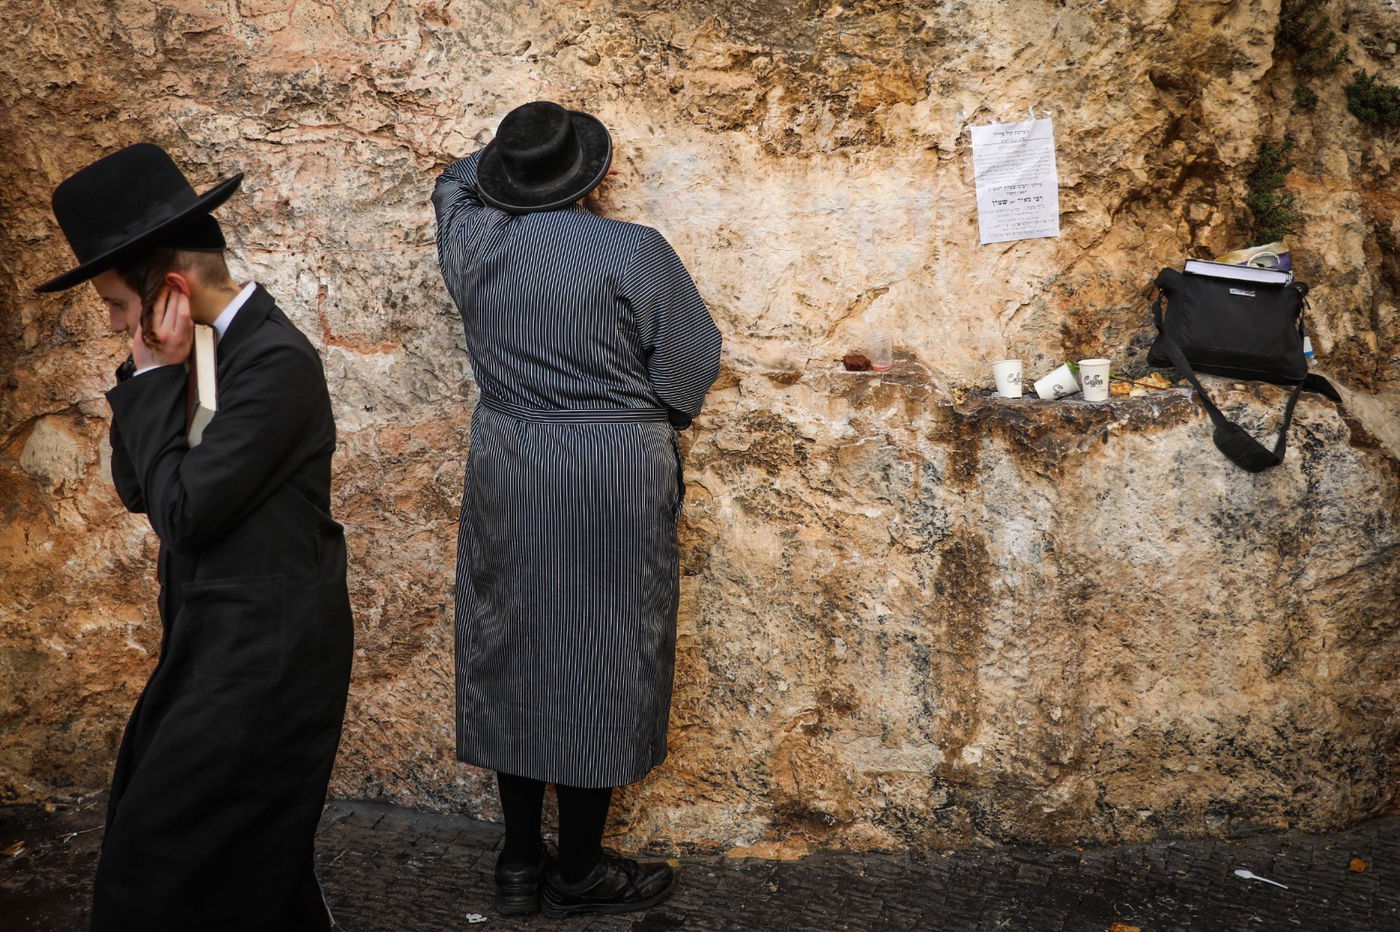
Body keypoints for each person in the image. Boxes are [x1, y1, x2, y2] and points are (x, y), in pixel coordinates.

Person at [34, 143, 353, 931]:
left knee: (159, 860)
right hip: (213, 638)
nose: (113, 325)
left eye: (115, 305)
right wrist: (154, 374)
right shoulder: (187, 355)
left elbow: (182, 513)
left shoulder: (275, 363)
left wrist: (149, 381)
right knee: (240, 862)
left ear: (169, 287)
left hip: (269, 652)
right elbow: (141, 487)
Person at [432, 101, 722, 919]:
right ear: (591, 175)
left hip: (510, 466)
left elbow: (452, 182)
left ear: (506, 177)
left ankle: (520, 863)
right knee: (602, 654)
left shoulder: (470, 241)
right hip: (610, 474)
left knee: (512, 651)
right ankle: (582, 870)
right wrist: (644, 418)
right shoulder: (634, 251)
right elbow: (690, 364)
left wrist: (502, 164)